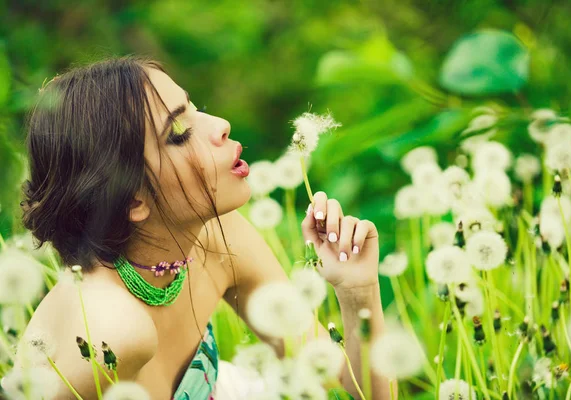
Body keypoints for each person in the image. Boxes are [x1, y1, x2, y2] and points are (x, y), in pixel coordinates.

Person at [15, 55, 388, 399]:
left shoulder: (219, 241)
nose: (222, 125)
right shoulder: (113, 329)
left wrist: (358, 292)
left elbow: (353, 388)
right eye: (178, 131)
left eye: (196, 109)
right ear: (132, 200)